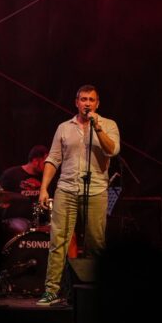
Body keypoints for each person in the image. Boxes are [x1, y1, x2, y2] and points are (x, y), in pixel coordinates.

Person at [36, 85, 120, 306]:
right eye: (83, 99)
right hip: (66, 189)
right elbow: (53, 159)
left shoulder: (109, 125)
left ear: (97, 103)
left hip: (96, 191)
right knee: (58, 241)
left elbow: (112, 150)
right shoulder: (64, 128)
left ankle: (96, 292)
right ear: (76, 102)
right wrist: (44, 188)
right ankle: (51, 290)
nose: (87, 103)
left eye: (91, 100)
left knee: (95, 244)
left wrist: (97, 127)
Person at [0, 145, 50, 236]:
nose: (47, 166)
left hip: (40, 221)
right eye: (45, 162)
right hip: (17, 220)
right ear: (35, 161)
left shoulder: (46, 177)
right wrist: (2, 203)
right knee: (21, 227)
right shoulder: (11, 174)